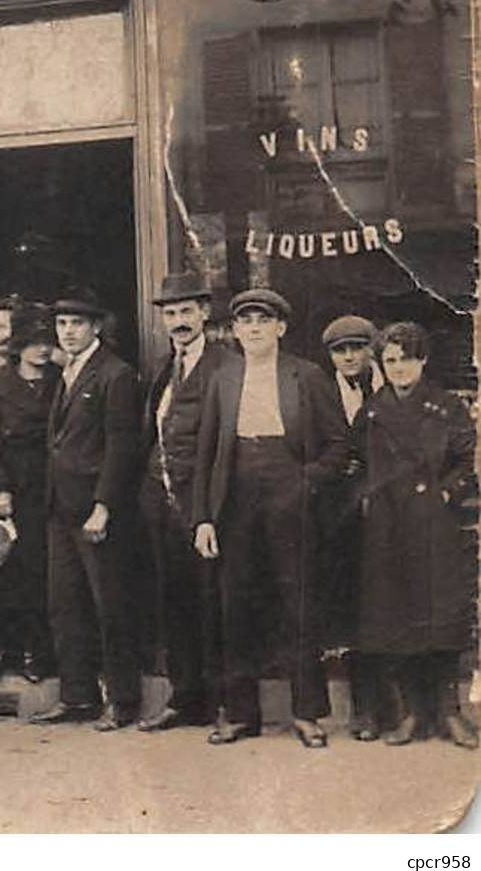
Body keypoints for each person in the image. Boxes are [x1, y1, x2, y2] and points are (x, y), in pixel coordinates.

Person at [193, 288, 349, 749]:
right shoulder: (222, 377)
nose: (255, 328)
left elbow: (340, 445)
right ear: (235, 330)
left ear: (281, 327)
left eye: (264, 320)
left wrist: (305, 481)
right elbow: (205, 454)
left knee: (297, 601)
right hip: (235, 494)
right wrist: (203, 517)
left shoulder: (307, 375)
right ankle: (242, 714)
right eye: (246, 321)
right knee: (235, 604)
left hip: (289, 490)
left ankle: (306, 713)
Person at [355, 322, 477, 749]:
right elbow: (356, 465)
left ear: (422, 360)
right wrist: (367, 500)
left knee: (441, 616)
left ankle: (450, 712)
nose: (399, 367)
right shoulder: (371, 412)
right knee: (396, 616)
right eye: (390, 360)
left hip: (432, 523)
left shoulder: (445, 407)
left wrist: (445, 492)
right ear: (381, 365)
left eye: (407, 358)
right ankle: (410, 714)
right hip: (387, 529)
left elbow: (467, 459)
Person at [28, 287, 142, 732]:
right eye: (62, 324)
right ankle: (77, 697)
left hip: (95, 510)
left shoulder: (115, 374)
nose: (68, 331)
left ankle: (124, 699)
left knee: (109, 606)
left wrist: (104, 505)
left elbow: (121, 447)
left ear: (96, 327)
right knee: (65, 604)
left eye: (77, 323)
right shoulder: (69, 372)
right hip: (60, 506)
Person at [135, 271, 230, 732]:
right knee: (173, 601)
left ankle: (224, 701)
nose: (178, 321)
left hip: (206, 504)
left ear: (205, 313)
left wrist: (210, 507)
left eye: (186, 311)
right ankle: (184, 696)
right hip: (161, 503)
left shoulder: (226, 365)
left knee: (214, 601)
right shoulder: (160, 365)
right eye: (170, 313)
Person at [0, 304, 59, 684]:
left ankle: (35, 651)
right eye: (33, 343)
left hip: (48, 488)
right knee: (0, 572)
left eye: (47, 343)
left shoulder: (60, 379)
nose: (41, 350)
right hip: (7, 491)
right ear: (18, 346)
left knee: (40, 573)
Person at [318, 314, 387, 740]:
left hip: (384, 514)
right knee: (347, 610)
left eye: (357, 349)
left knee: (384, 607)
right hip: (335, 517)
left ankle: (384, 707)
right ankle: (362, 709)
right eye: (341, 351)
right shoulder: (319, 393)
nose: (349, 357)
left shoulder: (386, 390)